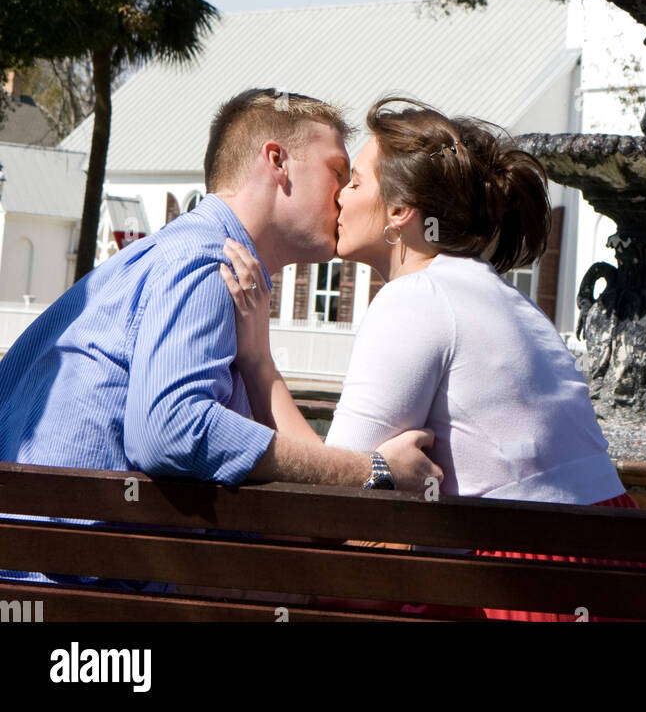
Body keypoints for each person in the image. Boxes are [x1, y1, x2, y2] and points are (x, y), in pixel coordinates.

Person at [224, 95, 646, 622]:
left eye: (355, 181)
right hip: (607, 564)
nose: (338, 198)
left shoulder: (416, 298)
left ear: (399, 214)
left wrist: (258, 358)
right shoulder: (502, 295)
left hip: (528, 580)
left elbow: (327, 503)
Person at [0, 89, 441, 588]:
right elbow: (173, 430)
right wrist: (372, 470)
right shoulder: (209, 262)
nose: (343, 193)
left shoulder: (162, 256)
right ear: (277, 161)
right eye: (337, 170)